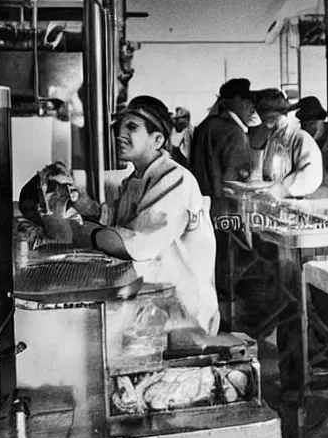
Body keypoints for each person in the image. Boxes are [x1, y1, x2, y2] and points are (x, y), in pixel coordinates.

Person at [22, 96, 220, 337]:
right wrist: (86, 207)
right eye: (120, 127)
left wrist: (73, 230)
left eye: (132, 127)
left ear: (157, 139)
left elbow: (132, 244)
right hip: (154, 300)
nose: (120, 134)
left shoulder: (174, 179)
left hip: (184, 310)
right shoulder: (134, 180)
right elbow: (116, 220)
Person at [189, 78, 260, 216]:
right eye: (246, 99)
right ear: (234, 101)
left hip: (201, 207)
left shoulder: (205, 126)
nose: (251, 106)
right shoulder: (234, 133)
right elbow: (234, 183)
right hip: (225, 211)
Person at [250, 89, 323, 199]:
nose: (268, 124)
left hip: (291, 206)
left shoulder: (300, 138)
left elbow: (311, 175)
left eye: (272, 118)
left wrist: (283, 189)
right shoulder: (263, 138)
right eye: (264, 118)